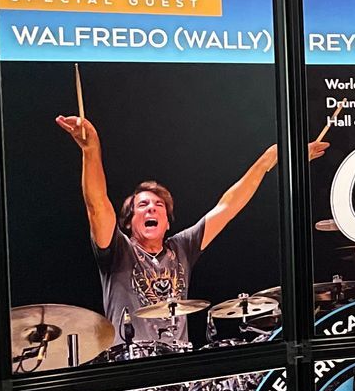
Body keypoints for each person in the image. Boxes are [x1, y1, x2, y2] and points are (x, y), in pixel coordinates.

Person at [54, 112, 327, 348]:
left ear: (168, 221)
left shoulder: (182, 247)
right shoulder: (117, 250)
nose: (151, 209)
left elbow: (228, 206)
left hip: (178, 366)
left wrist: (268, 160)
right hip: (130, 370)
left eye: (159, 205)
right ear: (127, 221)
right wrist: (91, 151)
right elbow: (97, 205)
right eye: (142, 205)